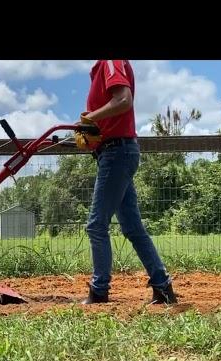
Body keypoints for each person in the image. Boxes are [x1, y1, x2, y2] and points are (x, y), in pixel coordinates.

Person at [75, 60, 177, 305]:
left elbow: (124, 100)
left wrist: (90, 119)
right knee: (132, 227)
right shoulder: (102, 67)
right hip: (115, 151)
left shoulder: (112, 61)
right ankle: (163, 288)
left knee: (96, 225)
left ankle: (99, 291)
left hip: (116, 152)